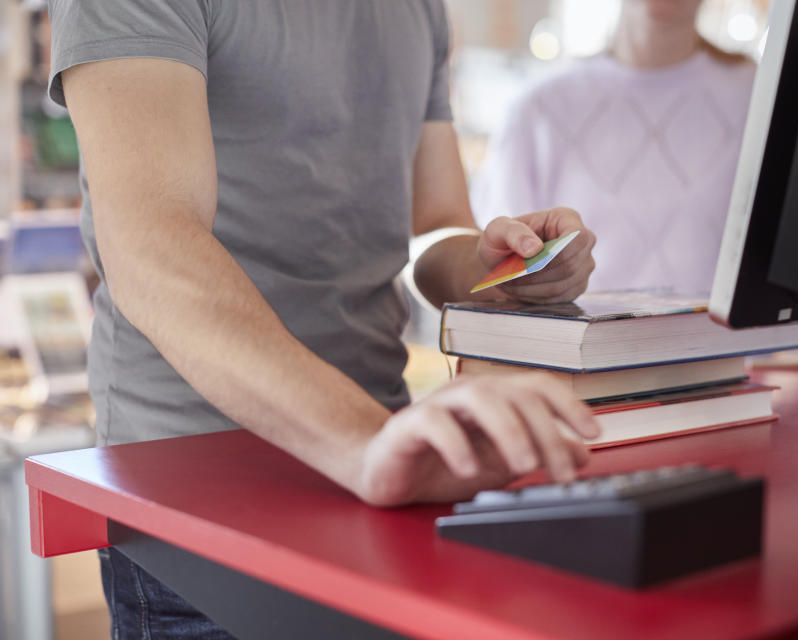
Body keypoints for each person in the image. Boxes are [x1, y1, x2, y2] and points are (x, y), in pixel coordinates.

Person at [46, 1, 598, 637]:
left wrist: (496, 270)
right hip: (200, 492)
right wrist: (365, 443)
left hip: (376, 466)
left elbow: (433, 224)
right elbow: (149, 246)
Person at [473, 0, 756, 294]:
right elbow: (501, 276)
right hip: (580, 337)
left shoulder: (765, 98)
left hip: (740, 340)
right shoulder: (538, 108)